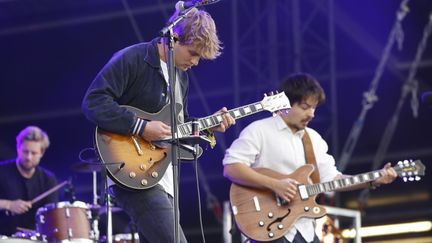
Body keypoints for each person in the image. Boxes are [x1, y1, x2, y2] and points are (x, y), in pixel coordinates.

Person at [82, 7, 235, 243]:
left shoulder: (181, 78)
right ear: (174, 36)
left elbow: (174, 128)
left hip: (164, 176)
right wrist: (140, 127)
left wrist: (207, 126)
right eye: (193, 53)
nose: (195, 62)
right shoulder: (133, 58)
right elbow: (94, 102)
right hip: (132, 173)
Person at [222, 73, 397, 243]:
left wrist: (374, 180)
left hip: (305, 229)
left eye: (314, 108)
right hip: (268, 228)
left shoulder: (314, 139)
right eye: (305, 107)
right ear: (284, 104)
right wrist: (275, 185)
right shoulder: (259, 130)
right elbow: (231, 167)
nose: (311, 114)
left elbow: (334, 179)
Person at [0, 126, 58, 236]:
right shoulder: (1, 172)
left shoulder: (48, 179)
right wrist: (8, 204)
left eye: (34, 153)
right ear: (18, 148)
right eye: (25, 151)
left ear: (42, 153)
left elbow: (52, 216)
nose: (28, 157)